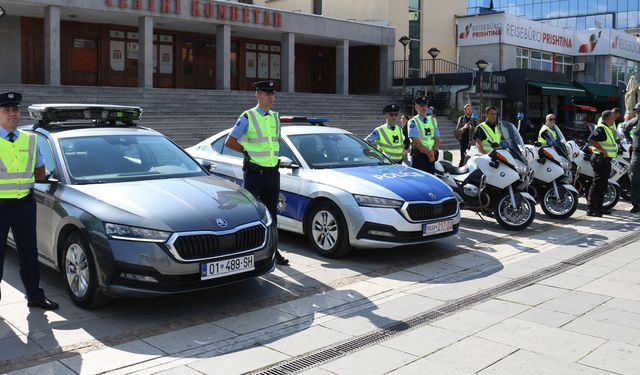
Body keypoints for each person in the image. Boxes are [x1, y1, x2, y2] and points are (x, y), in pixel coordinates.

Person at [0, 92, 58, 310]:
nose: (12, 114)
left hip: (24, 204)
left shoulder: (30, 139)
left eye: (15, 110)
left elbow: (40, 172)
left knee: (29, 253)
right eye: (6, 110)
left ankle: (35, 296)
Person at [224, 81, 289, 265]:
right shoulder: (248, 116)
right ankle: (248, 253)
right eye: (267, 94)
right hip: (254, 173)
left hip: (272, 173)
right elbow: (230, 141)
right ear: (258, 95)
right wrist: (248, 152)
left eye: (273, 94)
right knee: (251, 214)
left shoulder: (275, 117)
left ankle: (274, 251)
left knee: (272, 214)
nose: (271, 97)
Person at [587, 110, 618, 217]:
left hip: (605, 160)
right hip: (600, 159)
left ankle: (599, 208)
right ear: (607, 118)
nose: (614, 119)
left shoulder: (607, 128)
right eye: (612, 117)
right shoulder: (601, 128)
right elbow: (591, 140)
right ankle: (591, 209)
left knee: (603, 184)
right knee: (597, 184)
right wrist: (602, 150)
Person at [408, 97, 441, 173]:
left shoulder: (433, 120)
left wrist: (434, 151)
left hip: (431, 155)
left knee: (431, 181)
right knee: (419, 182)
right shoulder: (413, 121)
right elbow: (415, 141)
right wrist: (429, 153)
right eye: (421, 106)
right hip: (419, 156)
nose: (423, 108)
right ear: (416, 107)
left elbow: (437, 138)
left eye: (425, 105)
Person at [623, 103, 640, 213]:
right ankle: (636, 204)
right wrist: (630, 142)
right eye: (637, 111)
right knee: (634, 179)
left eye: (639, 111)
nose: (638, 113)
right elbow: (625, 131)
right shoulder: (633, 122)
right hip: (637, 154)